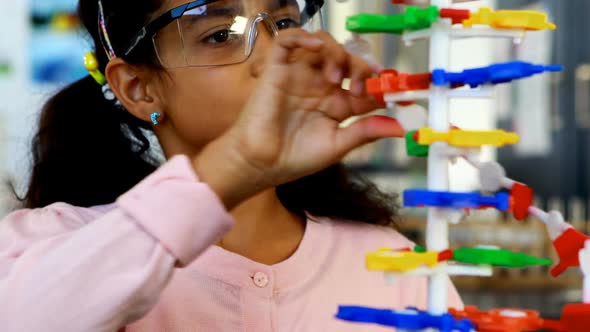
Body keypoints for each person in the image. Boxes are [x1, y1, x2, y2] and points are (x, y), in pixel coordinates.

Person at [0, 0, 462, 331]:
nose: (272, 56)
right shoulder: (49, 243)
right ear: (139, 88)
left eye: (283, 21)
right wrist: (236, 165)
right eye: (220, 35)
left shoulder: (391, 262)